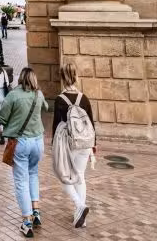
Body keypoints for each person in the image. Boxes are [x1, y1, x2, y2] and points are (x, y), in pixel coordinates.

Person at [0, 67, 48, 238]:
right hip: (38, 141)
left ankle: (27, 222)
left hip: (21, 143)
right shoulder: (38, 94)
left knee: (21, 181)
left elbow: (1, 117)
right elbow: (45, 107)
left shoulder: (13, 95)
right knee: (33, 174)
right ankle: (36, 212)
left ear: (21, 78)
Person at [52, 62, 95, 228]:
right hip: (85, 143)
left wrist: (53, 146)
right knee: (80, 177)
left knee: (64, 176)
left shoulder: (60, 100)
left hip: (68, 144)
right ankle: (81, 218)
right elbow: (91, 123)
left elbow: (56, 125)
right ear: (76, 76)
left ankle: (79, 206)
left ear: (62, 78)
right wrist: (94, 145)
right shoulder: (84, 98)